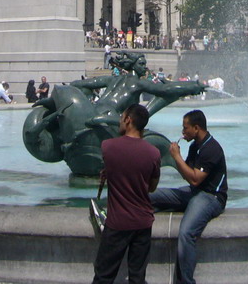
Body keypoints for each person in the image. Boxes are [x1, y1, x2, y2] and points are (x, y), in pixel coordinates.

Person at [150, 109, 227, 284]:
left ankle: (186, 281)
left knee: (186, 233)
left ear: (196, 128)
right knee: (150, 196)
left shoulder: (212, 148)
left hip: (211, 197)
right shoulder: (195, 146)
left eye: (185, 128)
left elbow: (194, 179)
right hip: (195, 192)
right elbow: (189, 175)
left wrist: (176, 157)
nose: (183, 132)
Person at [92, 104, 161, 284]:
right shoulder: (154, 153)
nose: (120, 121)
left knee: (103, 275)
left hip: (118, 223)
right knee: (137, 277)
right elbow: (151, 187)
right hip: (143, 222)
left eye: (122, 117)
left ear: (129, 120)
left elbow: (115, 167)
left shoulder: (108, 146)